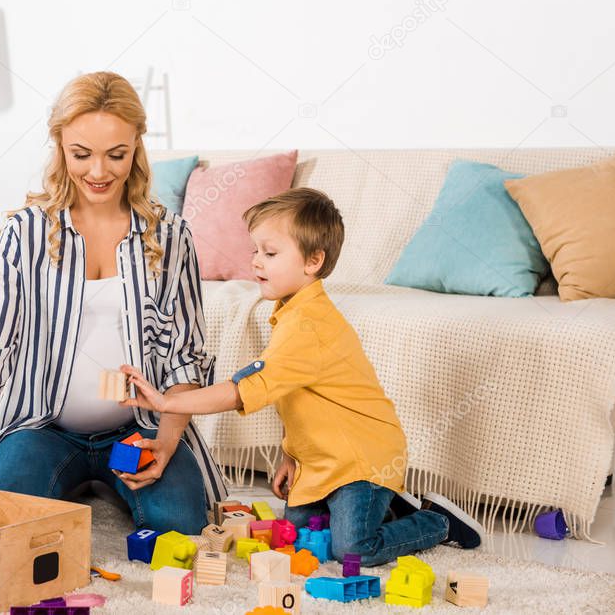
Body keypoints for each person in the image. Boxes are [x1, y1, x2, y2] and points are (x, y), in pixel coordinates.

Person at [0, 71, 226, 534]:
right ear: (60, 147)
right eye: (81, 154)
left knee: (182, 524)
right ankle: (82, 481)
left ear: (137, 147)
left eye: (117, 155)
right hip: (42, 428)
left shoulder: (170, 237)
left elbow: (185, 360)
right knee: (1, 517)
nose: (99, 172)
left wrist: (166, 443)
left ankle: (108, 483)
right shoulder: (24, 234)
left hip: (138, 429)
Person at [121, 187, 483, 565]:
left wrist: (168, 402)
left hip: (363, 460)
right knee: (297, 533)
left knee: (352, 550)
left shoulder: (308, 326)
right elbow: (301, 402)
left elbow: (239, 391)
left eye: (270, 253)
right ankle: (389, 503)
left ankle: (436, 521)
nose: (256, 263)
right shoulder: (289, 312)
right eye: (255, 251)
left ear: (313, 261)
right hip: (324, 460)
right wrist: (293, 458)